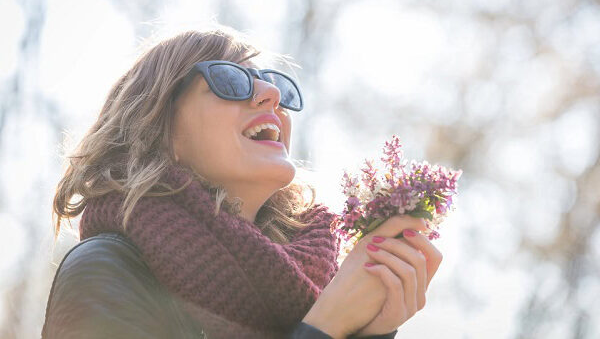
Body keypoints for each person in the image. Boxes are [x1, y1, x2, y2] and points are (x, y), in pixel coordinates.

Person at [42, 25, 443, 338]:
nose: (271, 94)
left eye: (276, 85)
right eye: (231, 80)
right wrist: (325, 327)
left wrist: (369, 331)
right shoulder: (105, 270)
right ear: (159, 129)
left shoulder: (310, 283)